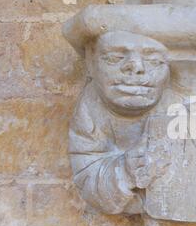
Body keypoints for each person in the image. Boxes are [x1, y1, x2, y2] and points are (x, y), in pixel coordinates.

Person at [69, 31, 172, 214]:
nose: (136, 67)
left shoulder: (185, 104)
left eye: (154, 61)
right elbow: (86, 175)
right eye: (114, 58)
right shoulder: (92, 104)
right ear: (91, 64)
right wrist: (124, 170)